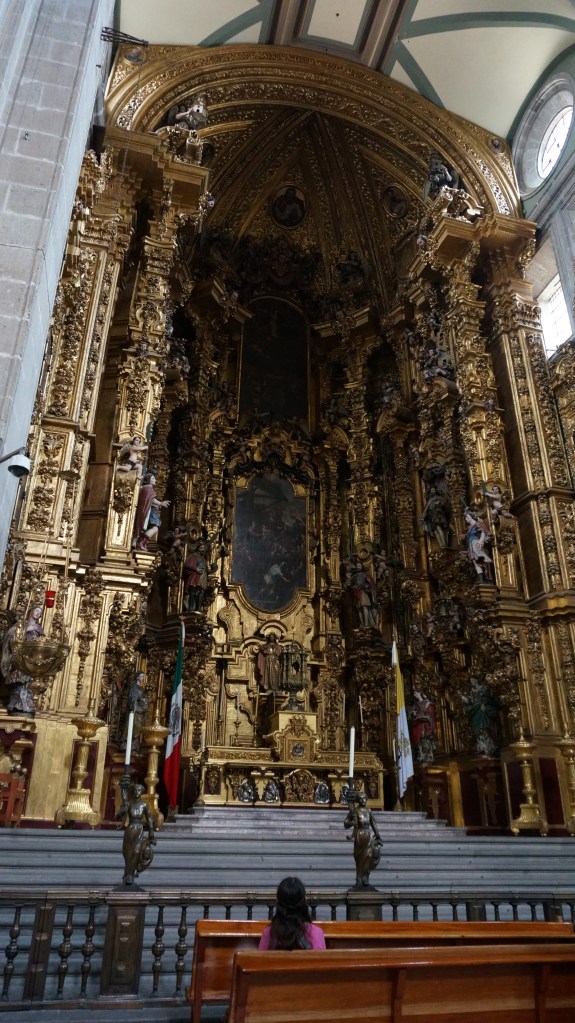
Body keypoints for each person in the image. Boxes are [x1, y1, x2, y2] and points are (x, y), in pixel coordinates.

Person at [258, 877, 326, 950]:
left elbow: (260, 956)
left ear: (278, 903)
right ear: (303, 902)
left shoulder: (269, 933)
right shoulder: (315, 933)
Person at [118, 782, 156, 885]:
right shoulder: (129, 804)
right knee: (127, 853)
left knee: (136, 851)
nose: (136, 792)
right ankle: (128, 874)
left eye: (139, 790)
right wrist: (122, 810)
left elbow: (149, 818)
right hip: (130, 829)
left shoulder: (144, 805)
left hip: (139, 829)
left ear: (142, 792)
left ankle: (130, 875)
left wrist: (151, 830)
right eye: (135, 790)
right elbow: (119, 816)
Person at [344, 792, 382, 888]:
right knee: (359, 858)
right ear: (357, 800)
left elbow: (373, 823)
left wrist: (377, 834)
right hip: (359, 836)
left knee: (368, 856)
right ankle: (358, 878)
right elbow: (346, 823)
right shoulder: (354, 811)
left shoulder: (368, 811)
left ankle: (365, 877)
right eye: (361, 798)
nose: (363, 800)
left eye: (365, 798)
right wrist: (352, 823)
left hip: (368, 835)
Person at [133, 472, 170, 550]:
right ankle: (141, 542)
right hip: (147, 510)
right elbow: (151, 499)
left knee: (151, 527)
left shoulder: (145, 488)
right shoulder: (148, 488)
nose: (155, 480)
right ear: (148, 480)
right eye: (153, 478)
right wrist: (160, 503)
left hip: (146, 510)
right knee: (153, 527)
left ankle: (139, 541)